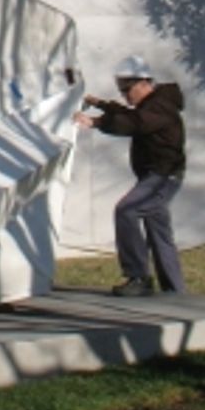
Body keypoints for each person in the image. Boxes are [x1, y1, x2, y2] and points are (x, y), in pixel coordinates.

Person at [74, 55, 187, 296]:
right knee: (158, 232)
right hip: (157, 177)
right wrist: (99, 103)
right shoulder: (155, 103)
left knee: (127, 210)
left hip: (162, 178)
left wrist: (95, 122)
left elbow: (133, 124)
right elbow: (130, 114)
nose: (125, 95)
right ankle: (175, 292)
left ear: (143, 83)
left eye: (127, 90)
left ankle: (138, 277)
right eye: (121, 90)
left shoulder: (160, 107)